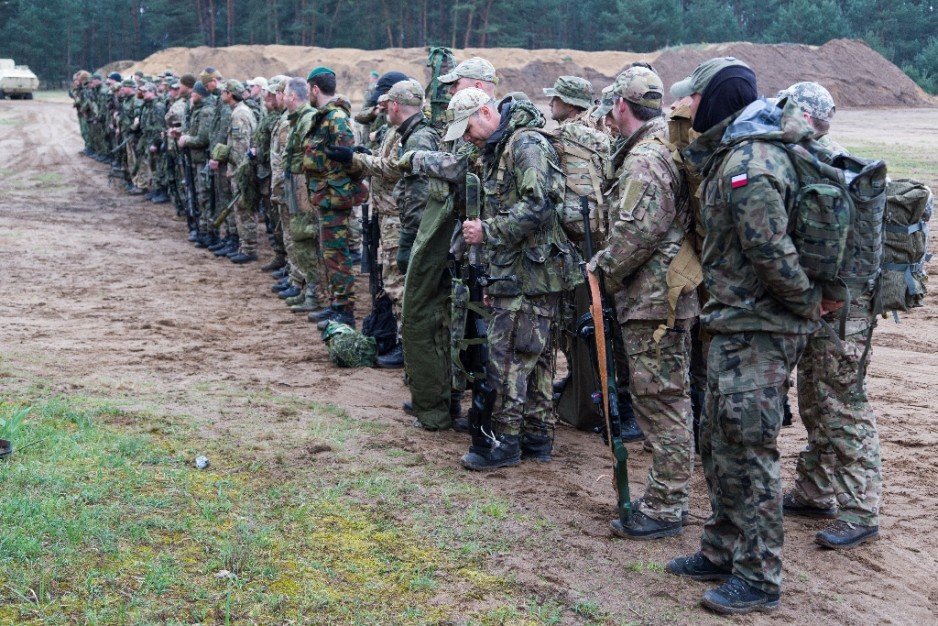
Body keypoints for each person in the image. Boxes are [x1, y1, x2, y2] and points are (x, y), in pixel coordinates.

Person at [664, 57, 822, 615]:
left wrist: (805, 303)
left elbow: (769, 250)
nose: (683, 108)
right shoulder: (734, 152)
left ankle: (759, 576)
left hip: (760, 328)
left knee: (750, 450)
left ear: (714, 100)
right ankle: (721, 547)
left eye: (691, 99)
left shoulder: (750, 162)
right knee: (720, 440)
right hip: (734, 324)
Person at [436, 88, 581, 469]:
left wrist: (488, 231)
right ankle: (536, 436)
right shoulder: (502, 148)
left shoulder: (525, 145)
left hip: (531, 273)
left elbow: (541, 205)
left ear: (485, 112)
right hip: (518, 271)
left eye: (467, 129)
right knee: (533, 357)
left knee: (510, 357)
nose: (466, 138)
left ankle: (505, 440)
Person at [588, 67, 698, 540]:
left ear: (620, 106)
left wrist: (600, 271)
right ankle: (668, 499)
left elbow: (638, 230)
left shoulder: (646, 159)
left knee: (662, 401)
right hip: (662, 296)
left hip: (654, 300)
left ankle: (667, 507)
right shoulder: (663, 147)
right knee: (664, 398)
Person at [779, 81, 883, 550]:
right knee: (814, 398)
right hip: (830, 300)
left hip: (841, 305)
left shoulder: (823, 164)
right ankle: (815, 489)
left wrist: (831, 294)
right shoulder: (822, 158)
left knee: (842, 401)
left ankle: (861, 509)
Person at [330, 79, 441, 370]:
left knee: (399, 286)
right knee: (391, 284)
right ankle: (400, 342)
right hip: (390, 216)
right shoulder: (403, 130)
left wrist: (357, 158)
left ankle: (408, 348)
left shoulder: (417, 135)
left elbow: (395, 168)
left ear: (394, 105)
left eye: (386, 104)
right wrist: (366, 155)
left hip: (399, 219)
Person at [303, 67, 362, 330]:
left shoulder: (336, 118)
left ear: (315, 89)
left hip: (335, 197)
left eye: (308, 89)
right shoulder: (324, 117)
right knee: (330, 254)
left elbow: (350, 160)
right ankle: (336, 303)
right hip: (325, 196)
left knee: (337, 255)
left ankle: (345, 310)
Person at [217, 79, 259, 264]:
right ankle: (244, 246)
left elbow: (241, 147)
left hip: (241, 170)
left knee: (243, 208)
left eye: (224, 91)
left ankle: (248, 248)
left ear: (230, 94)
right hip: (239, 168)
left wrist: (236, 169)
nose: (221, 95)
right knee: (240, 208)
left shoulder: (239, 115)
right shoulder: (240, 111)